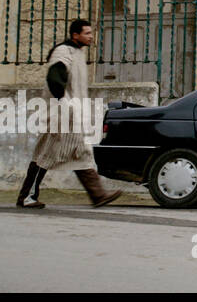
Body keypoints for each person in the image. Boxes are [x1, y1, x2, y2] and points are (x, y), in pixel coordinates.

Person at [16, 19, 121, 209]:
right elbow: (55, 75)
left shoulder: (78, 53)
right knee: (45, 155)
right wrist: (62, 102)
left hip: (72, 115)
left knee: (81, 153)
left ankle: (98, 195)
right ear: (75, 35)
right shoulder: (63, 51)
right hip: (60, 114)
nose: (91, 37)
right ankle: (27, 196)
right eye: (87, 33)